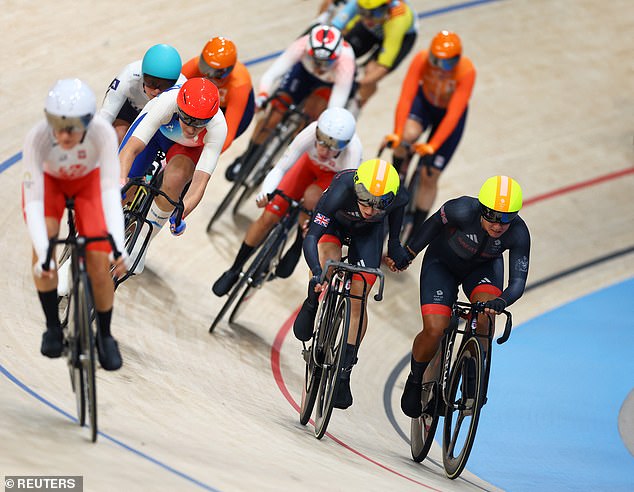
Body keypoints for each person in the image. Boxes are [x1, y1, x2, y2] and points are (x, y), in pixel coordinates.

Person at [397, 175, 531, 418]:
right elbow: (433, 225)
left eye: (507, 218)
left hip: (482, 270)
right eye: (492, 215)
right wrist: (410, 252)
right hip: (442, 265)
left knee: (485, 319)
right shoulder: (460, 209)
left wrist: (501, 302)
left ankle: (471, 384)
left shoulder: (519, 233)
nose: (499, 225)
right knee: (435, 329)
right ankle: (415, 380)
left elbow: (518, 282)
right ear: (481, 208)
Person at [22, 79, 129, 370]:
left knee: (99, 258)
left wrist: (118, 246)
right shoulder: (37, 138)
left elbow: (109, 195)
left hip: (88, 188)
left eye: (72, 126)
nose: (63, 134)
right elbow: (32, 202)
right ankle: (52, 327)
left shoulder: (103, 134)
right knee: (42, 252)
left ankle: (105, 336)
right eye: (56, 123)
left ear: (87, 122)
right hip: (49, 189)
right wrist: (45, 253)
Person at [293, 158, 412, 409]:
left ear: (390, 199)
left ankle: (344, 370)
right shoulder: (341, 188)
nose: (370, 208)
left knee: (359, 297)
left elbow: (395, 236)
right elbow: (313, 236)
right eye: (365, 198)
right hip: (334, 229)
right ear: (356, 187)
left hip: (368, 236)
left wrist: (396, 250)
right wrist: (317, 272)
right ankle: (313, 301)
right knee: (328, 267)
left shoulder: (400, 197)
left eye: (379, 203)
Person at [212, 107, 362, 296]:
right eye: (321, 143)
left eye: (332, 148)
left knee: (312, 198)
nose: (323, 150)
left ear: (344, 145)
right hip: (307, 166)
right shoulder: (310, 132)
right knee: (268, 217)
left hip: (331, 179)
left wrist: (315, 221)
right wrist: (266, 192)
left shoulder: (353, 152)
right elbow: (281, 168)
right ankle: (234, 268)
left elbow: (340, 194)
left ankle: (300, 240)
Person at [119, 77, 227, 273]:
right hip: (155, 135)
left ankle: (142, 240)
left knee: (176, 179)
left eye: (201, 123)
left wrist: (182, 211)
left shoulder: (218, 127)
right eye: (188, 119)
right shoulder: (166, 102)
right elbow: (130, 150)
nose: (192, 128)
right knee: (124, 189)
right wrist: (120, 181)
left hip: (184, 149)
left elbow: (199, 183)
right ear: (179, 108)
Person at [225, 24, 356, 181]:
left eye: (326, 63)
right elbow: (271, 75)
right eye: (316, 60)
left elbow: (334, 110)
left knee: (312, 116)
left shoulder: (346, 64)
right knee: (275, 111)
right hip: (303, 74)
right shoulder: (301, 45)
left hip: (328, 84)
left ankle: (286, 159)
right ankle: (248, 156)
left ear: (336, 57)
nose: (320, 67)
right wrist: (263, 96)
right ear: (309, 51)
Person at [384, 30, 476, 237]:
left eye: (448, 63)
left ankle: (416, 231)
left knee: (430, 175)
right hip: (425, 104)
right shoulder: (422, 59)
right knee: (406, 135)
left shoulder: (466, 71)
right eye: (436, 61)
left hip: (448, 115)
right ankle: (398, 170)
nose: (441, 68)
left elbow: (453, 114)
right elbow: (406, 97)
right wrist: (398, 132)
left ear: (458, 59)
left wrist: (432, 146)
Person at [332, 0, 418, 112]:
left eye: (369, 14)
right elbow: (335, 28)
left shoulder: (398, 20)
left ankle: (354, 109)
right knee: (341, 50)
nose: (365, 17)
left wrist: (355, 85)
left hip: (399, 35)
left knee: (371, 71)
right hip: (375, 26)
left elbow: (383, 67)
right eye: (362, 11)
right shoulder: (361, 3)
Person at [181, 36, 255, 153]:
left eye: (216, 73)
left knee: (203, 145)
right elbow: (171, 93)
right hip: (206, 103)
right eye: (205, 68)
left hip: (230, 109)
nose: (209, 75)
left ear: (228, 70)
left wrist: (203, 160)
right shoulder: (194, 65)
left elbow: (228, 134)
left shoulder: (239, 84)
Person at [100, 44, 185, 144]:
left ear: (174, 83)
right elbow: (105, 116)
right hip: (132, 110)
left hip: (164, 118)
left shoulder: (182, 87)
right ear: (142, 75)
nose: (157, 91)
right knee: (117, 135)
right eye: (151, 82)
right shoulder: (129, 75)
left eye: (165, 85)